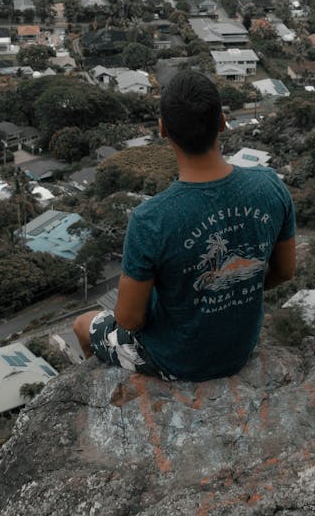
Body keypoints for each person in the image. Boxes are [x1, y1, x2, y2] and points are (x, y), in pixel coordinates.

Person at [73, 69, 295, 381]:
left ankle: (97, 384)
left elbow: (129, 319)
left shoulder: (152, 218)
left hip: (177, 361)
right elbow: (284, 272)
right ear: (222, 121)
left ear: (162, 128)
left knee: (83, 325)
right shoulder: (271, 186)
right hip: (240, 349)